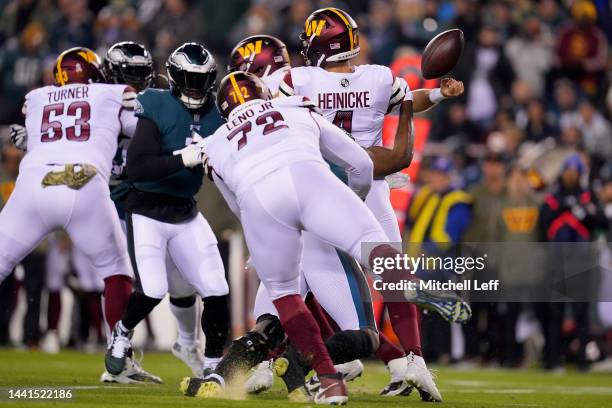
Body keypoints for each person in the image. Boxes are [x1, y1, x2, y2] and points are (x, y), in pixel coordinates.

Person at [277, 7, 466, 400]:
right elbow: (406, 102)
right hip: (374, 185)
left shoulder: (298, 80)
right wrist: (436, 93)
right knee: (392, 273)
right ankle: (412, 359)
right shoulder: (380, 77)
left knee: (309, 280)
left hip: (325, 187)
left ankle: (321, 360)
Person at [0, 46, 158, 383]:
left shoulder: (37, 96)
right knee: (118, 274)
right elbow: (142, 129)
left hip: (33, 184)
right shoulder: (113, 93)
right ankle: (121, 361)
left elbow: (47, 132)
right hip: (83, 183)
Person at [104, 42, 230, 380]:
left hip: (186, 211)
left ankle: (214, 364)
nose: (194, 87)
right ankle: (122, 331)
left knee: (217, 289)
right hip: (146, 209)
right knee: (153, 290)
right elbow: (139, 168)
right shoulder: (156, 103)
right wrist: (183, 159)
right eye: (188, 78)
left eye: (200, 80)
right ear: (174, 78)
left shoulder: (219, 115)